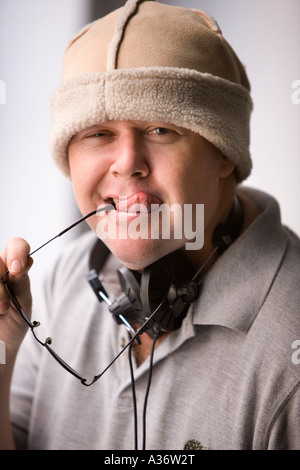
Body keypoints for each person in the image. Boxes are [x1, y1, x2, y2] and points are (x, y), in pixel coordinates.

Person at [0, 0, 299, 450]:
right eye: (97, 134)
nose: (127, 163)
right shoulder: (58, 280)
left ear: (224, 153)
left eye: (161, 130)